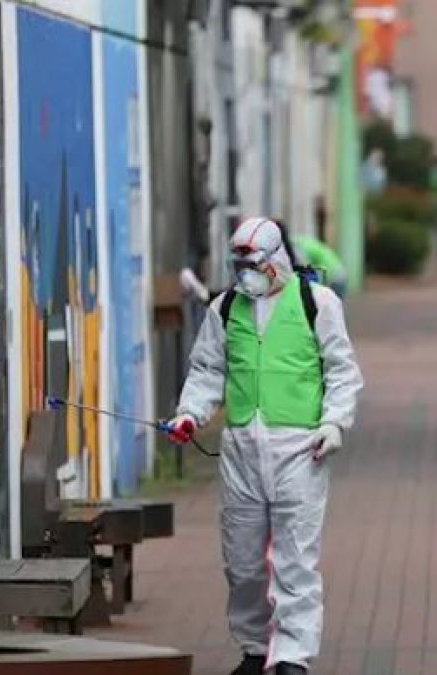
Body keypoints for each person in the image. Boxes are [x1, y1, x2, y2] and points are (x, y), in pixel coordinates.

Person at [167, 217, 364, 675]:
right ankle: (256, 649)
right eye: (239, 266)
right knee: (243, 563)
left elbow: (341, 369)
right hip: (241, 450)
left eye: (253, 265)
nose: (247, 274)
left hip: (301, 448)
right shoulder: (224, 308)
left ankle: (293, 656)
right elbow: (207, 370)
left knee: (295, 559)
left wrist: (334, 423)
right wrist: (190, 414)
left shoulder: (318, 303)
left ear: (276, 260)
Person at [294, 234, 348, 300]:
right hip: (341, 273)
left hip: (333, 277)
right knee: (337, 303)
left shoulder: (301, 248)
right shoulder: (306, 243)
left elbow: (304, 267)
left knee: (329, 302)